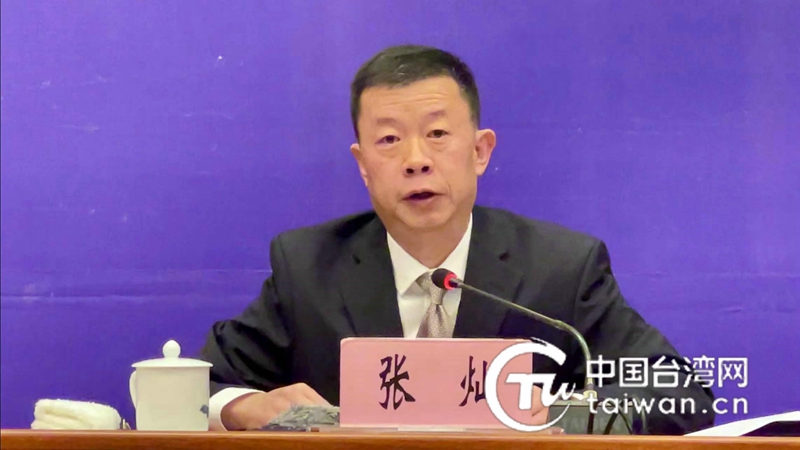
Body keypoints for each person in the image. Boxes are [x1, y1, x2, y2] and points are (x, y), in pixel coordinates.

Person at [198, 44, 715, 434]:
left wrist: (560, 415)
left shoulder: (561, 268)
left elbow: (679, 394)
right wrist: (245, 407)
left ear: (480, 151)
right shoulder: (308, 267)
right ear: (363, 165)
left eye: (438, 134)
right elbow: (200, 384)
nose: (416, 160)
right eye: (389, 139)